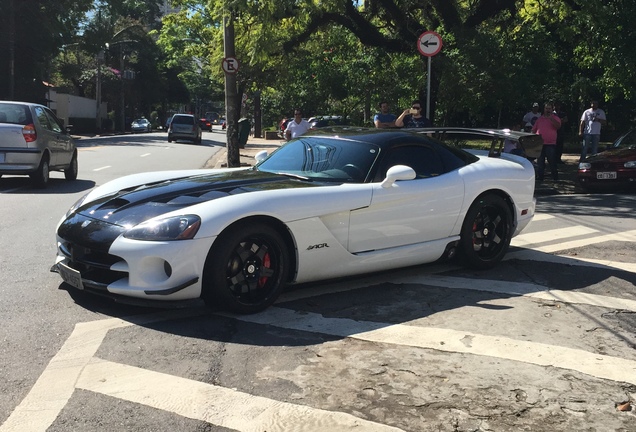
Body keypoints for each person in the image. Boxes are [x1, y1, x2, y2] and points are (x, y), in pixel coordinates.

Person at [532, 102, 561, 182]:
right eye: (546, 108)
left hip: (550, 144)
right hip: (540, 143)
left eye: (549, 108)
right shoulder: (540, 119)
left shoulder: (555, 118)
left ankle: (555, 177)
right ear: (544, 109)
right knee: (540, 162)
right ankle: (540, 177)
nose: (547, 110)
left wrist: (551, 118)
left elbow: (558, 126)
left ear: (552, 109)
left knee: (551, 161)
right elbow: (533, 130)